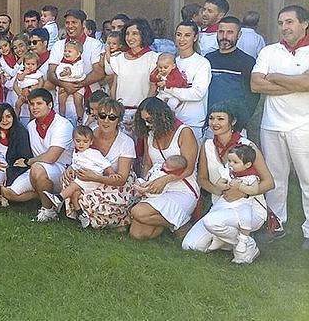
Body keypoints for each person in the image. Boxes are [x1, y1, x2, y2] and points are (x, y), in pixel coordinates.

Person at [182, 103, 275, 262]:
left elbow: (269, 182)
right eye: (211, 118)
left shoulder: (246, 145)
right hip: (221, 205)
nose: (214, 123)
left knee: (213, 223)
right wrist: (220, 190)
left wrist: (243, 190)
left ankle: (241, 242)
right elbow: (202, 179)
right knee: (190, 245)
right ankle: (242, 241)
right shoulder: (208, 146)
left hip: (249, 207)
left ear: (232, 122)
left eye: (220, 118)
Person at [250, 4, 309, 248]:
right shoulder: (269, 51)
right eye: (281, 23)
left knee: (308, 179)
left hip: (303, 125)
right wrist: (296, 83)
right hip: (272, 124)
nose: (284, 27)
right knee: (275, 178)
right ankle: (276, 224)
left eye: (290, 22)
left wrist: (273, 77)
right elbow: (255, 85)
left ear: (304, 24)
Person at [59, 98, 138, 229]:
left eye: (112, 117)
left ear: (119, 120)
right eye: (102, 116)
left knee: (90, 197)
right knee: (68, 180)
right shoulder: (89, 133)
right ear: (97, 117)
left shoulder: (126, 142)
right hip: (88, 177)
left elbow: (121, 179)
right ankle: (83, 215)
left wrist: (95, 178)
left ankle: (109, 219)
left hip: (114, 182)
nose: (106, 120)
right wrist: (71, 168)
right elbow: (79, 155)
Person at [129, 97, 199, 240]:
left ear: (161, 116)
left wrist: (164, 180)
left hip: (182, 189)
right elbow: (147, 164)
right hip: (155, 186)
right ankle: (175, 223)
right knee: (137, 234)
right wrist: (144, 183)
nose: (147, 125)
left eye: (149, 120)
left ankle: (179, 221)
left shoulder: (184, 132)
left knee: (138, 212)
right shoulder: (150, 134)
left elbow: (189, 169)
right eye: (144, 121)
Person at [0, 88, 73, 222]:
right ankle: (47, 196)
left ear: (50, 105)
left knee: (37, 168)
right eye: (31, 104)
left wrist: (28, 162)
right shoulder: (31, 126)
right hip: (38, 170)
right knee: (8, 192)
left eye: (39, 104)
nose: (34, 107)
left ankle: (49, 211)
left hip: (62, 171)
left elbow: (51, 157)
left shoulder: (63, 124)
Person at [45, 125, 114, 227]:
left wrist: (111, 173)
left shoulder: (92, 153)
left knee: (74, 185)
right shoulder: (76, 153)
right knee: (75, 195)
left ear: (91, 142)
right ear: (73, 140)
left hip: (93, 178)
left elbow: (105, 163)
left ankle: (59, 198)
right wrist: (71, 169)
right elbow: (75, 164)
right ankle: (81, 215)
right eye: (78, 141)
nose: (81, 144)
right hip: (82, 177)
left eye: (85, 141)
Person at [46, 9, 104, 124]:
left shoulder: (94, 44)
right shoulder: (58, 45)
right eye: (67, 23)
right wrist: (64, 84)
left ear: (83, 24)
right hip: (63, 101)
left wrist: (78, 85)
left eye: (74, 22)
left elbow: (99, 72)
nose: (70, 26)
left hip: (87, 101)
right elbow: (50, 73)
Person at [205, 16, 259, 136]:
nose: (224, 37)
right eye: (221, 32)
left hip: (236, 127)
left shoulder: (247, 62)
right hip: (210, 126)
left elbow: (252, 97)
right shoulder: (208, 59)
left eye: (230, 32)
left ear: (239, 35)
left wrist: (240, 122)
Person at [159, 20, 211, 142]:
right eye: (179, 34)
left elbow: (197, 93)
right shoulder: (171, 62)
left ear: (195, 37)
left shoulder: (202, 63)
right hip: (170, 121)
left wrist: (168, 88)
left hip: (192, 122)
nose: (182, 39)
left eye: (187, 35)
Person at [107, 18, 159, 131]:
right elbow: (114, 86)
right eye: (127, 34)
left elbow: (153, 88)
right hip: (120, 113)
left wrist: (142, 113)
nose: (130, 38)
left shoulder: (153, 58)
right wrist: (114, 113)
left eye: (135, 34)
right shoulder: (118, 58)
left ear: (143, 34)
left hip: (142, 114)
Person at [53, 41, 87, 120]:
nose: (66, 53)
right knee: (61, 99)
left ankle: (80, 118)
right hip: (64, 85)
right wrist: (62, 74)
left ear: (78, 54)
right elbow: (57, 73)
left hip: (77, 84)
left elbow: (80, 73)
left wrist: (70, 72)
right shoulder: (62, 63)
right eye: (65, 51)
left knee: (78, 101)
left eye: (69, 51)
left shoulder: (79, 63)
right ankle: (62, 117)